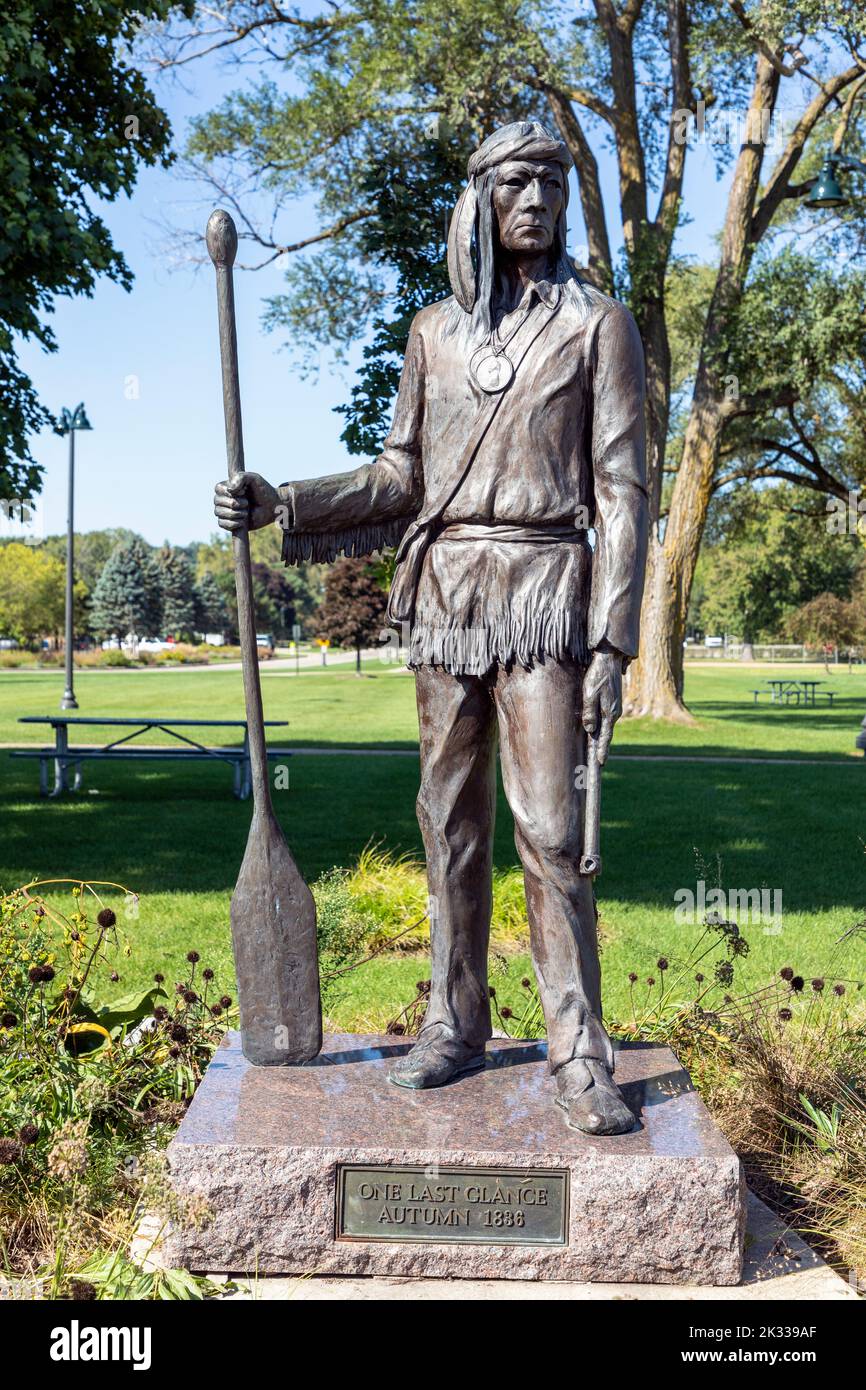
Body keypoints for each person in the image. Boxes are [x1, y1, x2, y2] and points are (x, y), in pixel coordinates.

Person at [214, 120, 648, 1134]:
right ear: (480, 201)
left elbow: (623, 492)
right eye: (513, 182)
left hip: (546, 591)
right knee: (446, 821)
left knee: (548, 831)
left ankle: (578, 1045)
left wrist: (613, 641)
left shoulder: (598, 326)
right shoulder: (431, 334)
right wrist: (287, 499)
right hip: (446, 595)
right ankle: (453, 1019)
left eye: (550, 180)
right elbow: (400, 474)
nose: (534, 197)